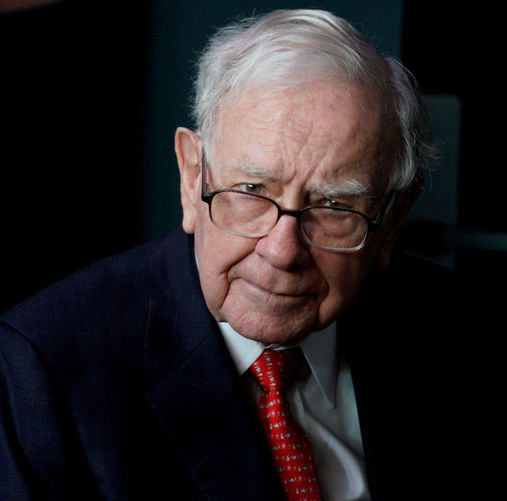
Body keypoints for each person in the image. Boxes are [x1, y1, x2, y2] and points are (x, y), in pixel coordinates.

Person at [0, 9, 480, 500]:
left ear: (393, 219)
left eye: (335, 205)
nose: (282, 250)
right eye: (252, 189)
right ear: (193, 177)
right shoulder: (44, 362)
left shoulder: (459, 331)